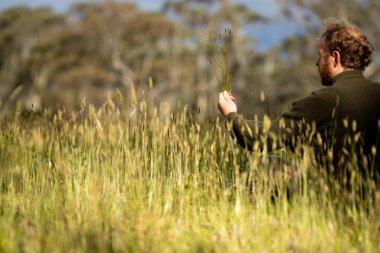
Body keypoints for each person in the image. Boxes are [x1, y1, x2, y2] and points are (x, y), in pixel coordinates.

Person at [218, 20, 380, 171]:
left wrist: (231, 114)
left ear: (335, 58)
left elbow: (259, 139)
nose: (317, 63)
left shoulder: (324, 101)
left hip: (330, 194)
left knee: (265, 164)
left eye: (321, 56)